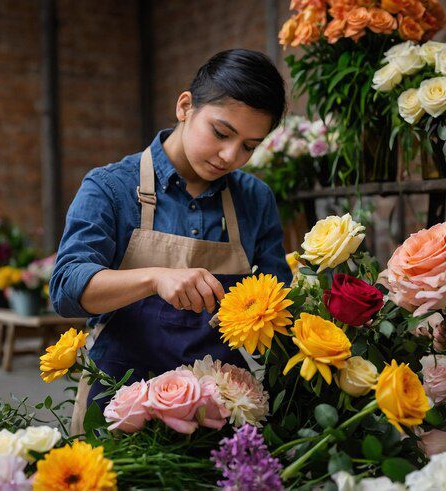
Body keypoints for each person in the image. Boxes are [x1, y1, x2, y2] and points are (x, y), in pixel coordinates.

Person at [49, 48, 293, 432]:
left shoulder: (255, 200)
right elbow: (65, 288)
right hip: (120, 407)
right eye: (221, 133)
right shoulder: (110, 188)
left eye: (249, 146)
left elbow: (280, 301)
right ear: (185, 106)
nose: (230, 155)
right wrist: (154, 278)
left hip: (219, 412)